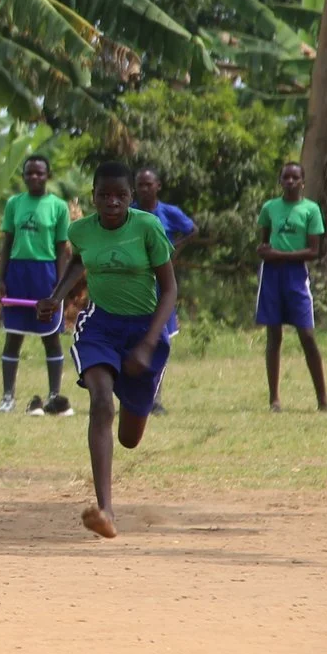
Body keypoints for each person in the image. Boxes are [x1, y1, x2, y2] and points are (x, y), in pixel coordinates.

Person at [37, 161, 176, 539]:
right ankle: (106, 511)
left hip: (145, 329)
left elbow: (169, 290)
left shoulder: (148, 227)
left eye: (120, 195)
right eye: (104, 195)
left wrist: (148, 343)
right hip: (99, 325)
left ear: (131, 197)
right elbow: (79, 259)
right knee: (101, 402)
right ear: (94, 197)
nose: (112, 202)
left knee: (129, 438)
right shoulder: (80, 230)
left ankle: (136, 403)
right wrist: (56, 297)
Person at [0, 154, 72, 416]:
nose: (34, 177)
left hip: (45, 274)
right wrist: (1, 278)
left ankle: (54, 396)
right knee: (13, 336)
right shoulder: (14, 204)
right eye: (29, 173)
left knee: (50, 337)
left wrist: (59, 287)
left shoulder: (59, 206)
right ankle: (8, 397)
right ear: (24, 176)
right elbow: (7, 243)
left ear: (48, 176)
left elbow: (61, 249)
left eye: (39, 173)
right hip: (18, 273)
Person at [256, 161, 327, 412]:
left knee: (307, 336)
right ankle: (274, 399)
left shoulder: (310, 210)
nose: (290, 182)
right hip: (271, 275)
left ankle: (323, 400)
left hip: (296, 275)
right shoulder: (269, 208)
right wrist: (265, 251)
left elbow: (313, 251)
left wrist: (279, 255)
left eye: (295, 178)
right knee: (274, 335)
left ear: (303, 182)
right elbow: (264, 242)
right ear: (280, 181)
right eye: (285, 177)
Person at [131, 166, 196, 412]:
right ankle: (132, 393)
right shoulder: (130, 213)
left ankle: (155, 396)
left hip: (162, 283)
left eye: (149, 184)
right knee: (133, 337)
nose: (144, 189)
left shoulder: (168, 212)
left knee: (161, 339)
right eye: (140, 184)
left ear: (158, 186)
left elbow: (192, 230)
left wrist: (173, 249)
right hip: (136, 283)